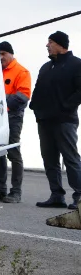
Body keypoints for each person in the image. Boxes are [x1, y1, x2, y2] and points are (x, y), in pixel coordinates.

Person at [30, 31, 81, 210]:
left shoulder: (76, 64)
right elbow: (37, 89)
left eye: (50, 42)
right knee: (49, 159)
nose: (47, 45)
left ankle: (79, 197)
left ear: (60, 44)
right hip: (44, 120)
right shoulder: (46, 67)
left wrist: (65, 107)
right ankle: (57, 195)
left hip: (65, 120)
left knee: (71, 158)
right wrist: (34, 107)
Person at [0, 41, 31, 203]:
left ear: (11, 54)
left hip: (13, 118)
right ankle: (0, 189)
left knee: (13, 153)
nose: (0, 57)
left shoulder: (21, 72)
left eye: (3, 53)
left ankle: (16, 192)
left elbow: (22, 98)